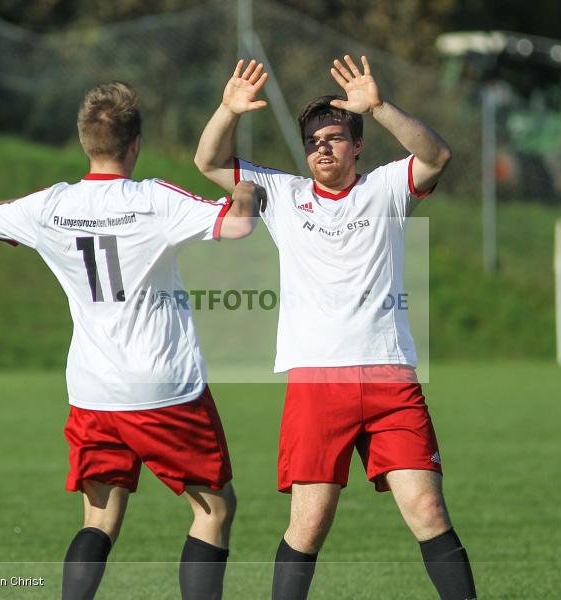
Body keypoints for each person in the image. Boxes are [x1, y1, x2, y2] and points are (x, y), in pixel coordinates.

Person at [0, 81, 265, 600]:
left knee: (99, 516)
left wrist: (29, 220)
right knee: (213, 508)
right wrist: (246, 192)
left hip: (93, 389)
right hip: (163, 388)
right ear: (135, 144)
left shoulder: (50, 204)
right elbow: (237, 228)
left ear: (85, 141)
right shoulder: (153, 199)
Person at [194, 57, 477, 600]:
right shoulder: (282, 193)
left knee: (428, 510)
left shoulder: (388, 188)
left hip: (391, 381)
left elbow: (436, 154)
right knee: (308, 525)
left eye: (334, 137)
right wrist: (227, 111)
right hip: (318, 385)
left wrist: (378, 106)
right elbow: (208, 159)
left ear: (357, 146)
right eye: (312, 141)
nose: (321, 147)